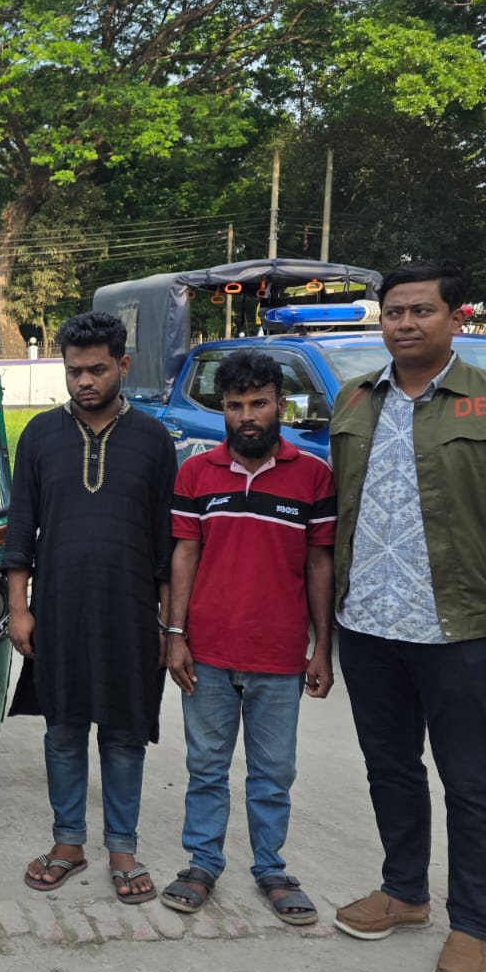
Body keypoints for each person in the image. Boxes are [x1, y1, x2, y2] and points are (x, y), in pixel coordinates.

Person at [329, 264, 486, 972]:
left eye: (421, 310)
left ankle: (474, 926)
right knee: (390, 767)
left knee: (471, 780)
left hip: (460, 627)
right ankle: (404, 893)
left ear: (455, 317)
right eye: (393, 311)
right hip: (368, 623)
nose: (404, 323)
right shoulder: (356, 398)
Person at [158, 350, 336, 925]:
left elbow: (318, 565)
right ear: (223, 410)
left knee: (273, 773)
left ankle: (272, 870)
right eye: (234, 406)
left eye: (259, 403)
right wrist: (175, 636)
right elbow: (183, 555)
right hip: (206, 653)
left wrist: (323, 649)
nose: (247, 417)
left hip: (280, 656)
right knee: (206, 767)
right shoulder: (196, 473)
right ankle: (203, 863)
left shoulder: (313, 475)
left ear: (281, 405)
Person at [5, 311, 177, 904]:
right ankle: (68, 843)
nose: (84, 380)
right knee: (64, 728)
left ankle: (123, 848)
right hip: (59, 610)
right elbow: (20, 529)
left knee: (126, 732)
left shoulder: (154, 440)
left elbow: (166, 544)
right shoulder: (40, 436)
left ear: (123, 365)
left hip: (130, 614)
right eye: (74, 370)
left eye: (97, 369)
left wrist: (166, 622)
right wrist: (19, 609)